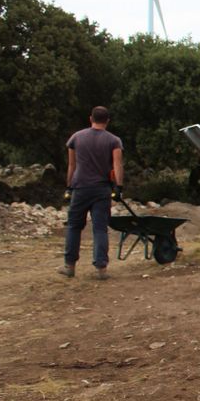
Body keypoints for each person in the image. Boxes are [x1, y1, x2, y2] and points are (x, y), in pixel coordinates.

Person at [62, 106, 123, 279]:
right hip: (101, 189)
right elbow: (117, 165)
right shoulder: (114, 141)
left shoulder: (76, 137)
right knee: (100, 229)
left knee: (74, 226)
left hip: (80, 187)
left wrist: (69, 186)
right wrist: (119, 187)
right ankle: (101, 269)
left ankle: (69, 266)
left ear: (91, 119)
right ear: (107, 121)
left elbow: (72, 165)